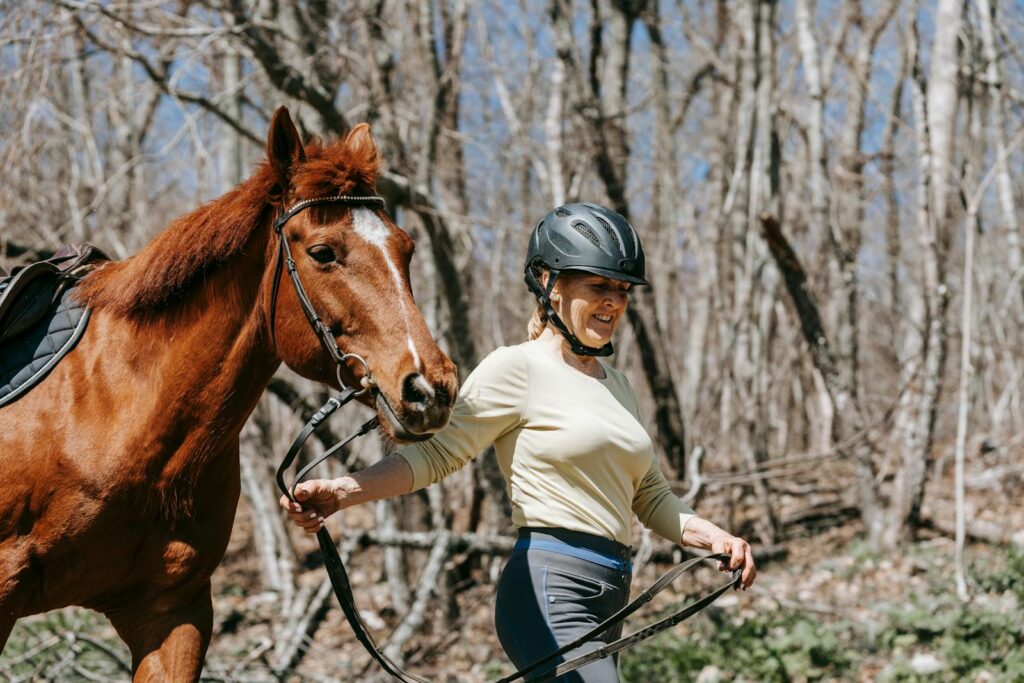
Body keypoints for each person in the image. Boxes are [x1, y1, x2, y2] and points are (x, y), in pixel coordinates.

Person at [280, 203, 757, 682]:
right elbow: (438, 454)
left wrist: (715, 537)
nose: (614, 301)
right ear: (548, 282)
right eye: (598, 285)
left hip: (611, 590)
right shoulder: (517, 367)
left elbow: (649, 496)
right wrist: (344, 491)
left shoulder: (617, 384)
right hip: (550, 586)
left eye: (622, 289)